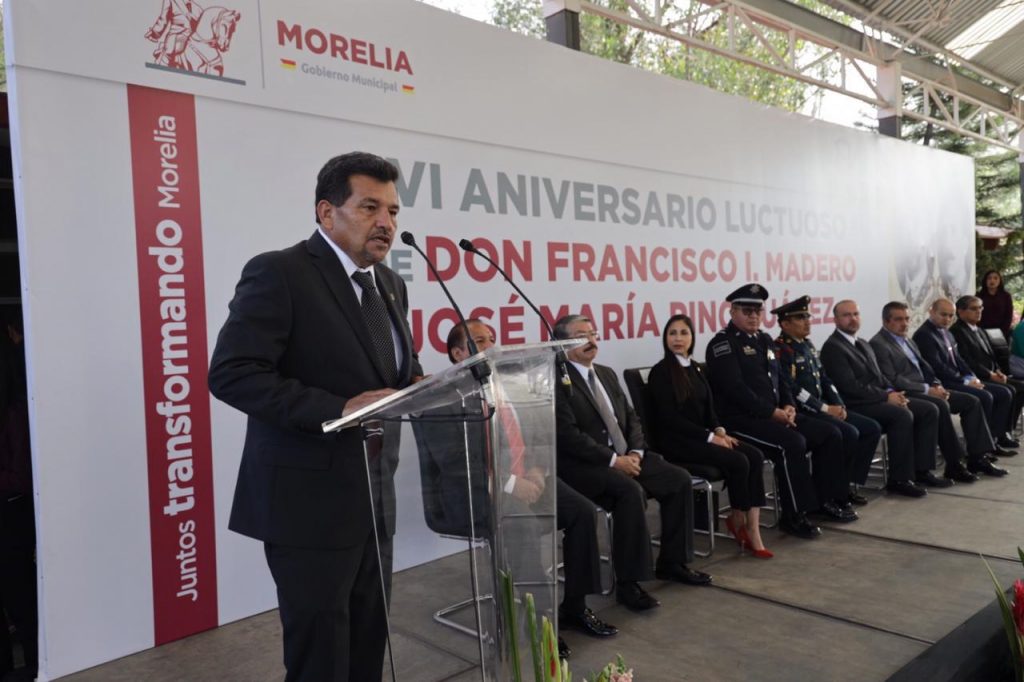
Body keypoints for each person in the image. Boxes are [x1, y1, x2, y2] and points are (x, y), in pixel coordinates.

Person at [208, 152, 422, 682]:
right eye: (370, 207)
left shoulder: (390, 284)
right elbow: (233, 373)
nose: (387, 223)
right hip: (308, 504)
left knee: (367, 640)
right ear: (327, 212)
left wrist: (422, 385)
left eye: (393, 211)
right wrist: (337, 409)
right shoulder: (280, 272)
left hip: (375, 494)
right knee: (320, 657)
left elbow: (394, 371)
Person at [422, 320, 614, 652]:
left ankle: (575, 607)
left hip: (526, 480)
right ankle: (541, 627)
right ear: (458, 353)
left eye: (492, 339)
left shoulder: (507, 384)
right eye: (480, 341)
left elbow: (536, 434)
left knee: (582, 512)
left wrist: (537, 471)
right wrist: (512, 484)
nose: (490, 347)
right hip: (475, 493)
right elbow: (455, 464)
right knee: (524, 525)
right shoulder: (443, 399)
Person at [553, 314, 711, 614]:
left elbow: (631, 418)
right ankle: (629, 583)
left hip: (628, 455)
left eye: (593, 333)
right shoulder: (556, 380)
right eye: (581, 336)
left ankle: (672, 562)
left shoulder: (605, 373)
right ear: (561, 344)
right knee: (630, 492)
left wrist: (636, 453)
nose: (591, 340)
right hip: (587, 466)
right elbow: (568, 435)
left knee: (678, 479)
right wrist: (614, 461)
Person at [705, 283, 846, 538]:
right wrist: (772, 413)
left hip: (774, 414)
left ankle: (824, 501)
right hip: (741, 420)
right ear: (732, 312)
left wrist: (788, 404)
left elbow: (781, 380)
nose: (753, 316)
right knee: (792, 444)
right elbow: (735, 389)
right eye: (747, 311)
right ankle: (794, 516)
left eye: (757, 311)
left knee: (829, 433)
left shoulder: (765, 340)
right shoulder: (722, 344)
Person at [646, 314, 772, 558]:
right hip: (677, 442)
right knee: (738, 461)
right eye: (672, 333)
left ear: (692, 338)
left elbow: (710, 410)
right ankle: (738, 520)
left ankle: (752, 526)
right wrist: (710, 437)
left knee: (755, 456)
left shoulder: (695, 367)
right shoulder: (661, 372)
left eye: (684, 333)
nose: (678, 338)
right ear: (665, 338)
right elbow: (669, 419)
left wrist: (719, 430)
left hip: (703, 437)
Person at [870, 301, 1002, 480]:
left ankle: (977, 458)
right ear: (886, 321)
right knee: (938, 406)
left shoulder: (907, 340)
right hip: (906, 392)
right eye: (899, 319)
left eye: (907, 319)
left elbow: (926, 367)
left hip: (926, 388)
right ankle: (947, 465)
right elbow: (893, 378)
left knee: (972, 401)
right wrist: (927, 389)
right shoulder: (879, 343)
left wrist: (936, 385)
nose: (905, 323)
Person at [819, 300, 937, 497]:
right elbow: (850, 387)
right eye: (846, 315)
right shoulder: (833, 347)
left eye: (856, 314)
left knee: (927, 409)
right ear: (835, 320)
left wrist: (893, 392)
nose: (852, 319)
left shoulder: (862, 343)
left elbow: (879, 377)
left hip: (875, 398)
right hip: (854, 404)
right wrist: (886, 396)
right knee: (902, 416)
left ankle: (921, 470)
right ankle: (899, 479)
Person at [772, 296, 882, 507]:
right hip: (804, 411)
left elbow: (825, 379)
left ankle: (844, 485)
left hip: (824, 407)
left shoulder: (807, 345)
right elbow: (793, 389)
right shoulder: (781, 350)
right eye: (800, 318)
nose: (807, 322)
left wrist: (839, 404)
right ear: (785, 324)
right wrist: (824, 408)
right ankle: (828, 495)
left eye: (807, 317)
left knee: (870, 428)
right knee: (843, 433)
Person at [914, 298, 1019, 453]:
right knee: (985, 396)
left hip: (957, 379)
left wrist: (971, 377)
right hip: (943, 383)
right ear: (931, 311)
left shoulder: (946, 332)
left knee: (1003, 392)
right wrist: (964, 381)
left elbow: (959, 360)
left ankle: (993, 441)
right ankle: (978, 451)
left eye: (950, 315)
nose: (947, 319)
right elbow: (937, 367)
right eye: (943, 315)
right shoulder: (924, 335)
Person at [0, 309, 37, 682]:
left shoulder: (15, 375)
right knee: (22, 588)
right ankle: (36, 661)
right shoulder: (30, 372)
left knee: (17, 587)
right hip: (20, 498)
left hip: (10, 497)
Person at [951, 295, 1024, 436]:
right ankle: (995, 435)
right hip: (976, 376)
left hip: (991, 374)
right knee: (1006, 391)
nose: (978, 311)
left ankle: (1005, 431)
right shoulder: (957, 331)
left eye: (980, 308)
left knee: (1020, 388)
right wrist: (989, 374)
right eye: (974, 308)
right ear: (961, 311)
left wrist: (998, 371)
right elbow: (967, 361)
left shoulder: (979, 329)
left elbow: (991, 356)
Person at [977, 270, 1013, 340]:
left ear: (1000, 281)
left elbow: (1009, 315)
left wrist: (1002, 332)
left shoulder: (1006, 296)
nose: (992, 280)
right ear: (985, 280)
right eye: (989, 278)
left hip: (1002, 332)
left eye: (995, 278)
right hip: (982, 332)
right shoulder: (979, 296)